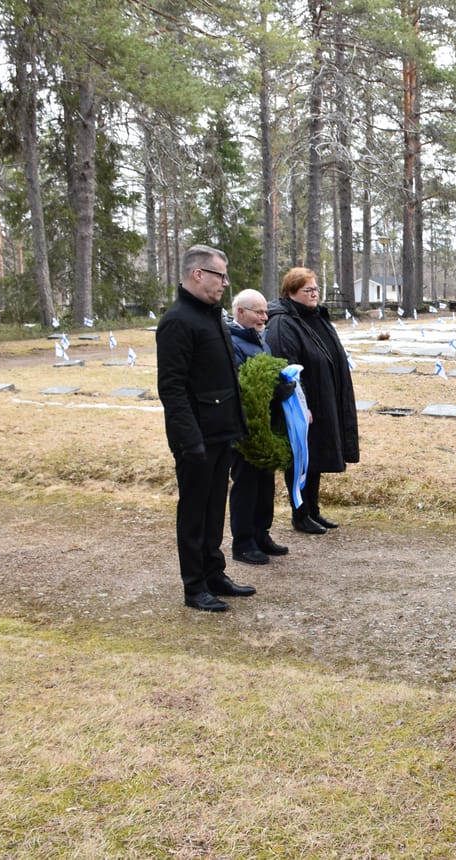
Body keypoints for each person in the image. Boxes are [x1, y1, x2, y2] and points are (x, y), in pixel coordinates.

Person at [156, 245, 256, 612]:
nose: (225, 284)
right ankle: (194, 585)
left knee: (214, 509)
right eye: (220, 276)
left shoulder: (210, 316)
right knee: (195, 511)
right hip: (196, 437)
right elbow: (171, 387)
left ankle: (214, 573)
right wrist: (190, 439)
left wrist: (236, 424)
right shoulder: (178, 321)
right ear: (198, 274)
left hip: (219, 431)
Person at [264, 267, 359, 534]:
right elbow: (287, 366)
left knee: (316, 456)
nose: (314, 294)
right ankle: (300, 513)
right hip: (302, 405)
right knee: (301, 458)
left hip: (322, 398)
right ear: (290, 292)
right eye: (308, 290)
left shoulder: (314, 317)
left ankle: (313, 510)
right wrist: (302, 405)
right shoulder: (283, 323)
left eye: (316, 289)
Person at [228, 289, 290, 566]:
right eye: (259, 312)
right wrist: (274, 391)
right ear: (241, 312)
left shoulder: (260, 340)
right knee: (246, 484)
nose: (265, 317)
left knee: (265, 482)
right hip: (245, 427)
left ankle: (261, 534)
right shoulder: (232, 343)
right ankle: (243, 543)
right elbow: (243, 385)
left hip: (265, 424)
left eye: (266, 312)